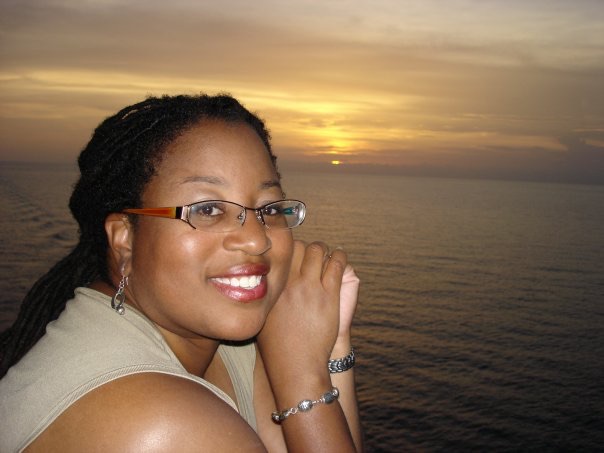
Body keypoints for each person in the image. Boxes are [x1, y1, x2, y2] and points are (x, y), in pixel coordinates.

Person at [0, 94, 363, 452]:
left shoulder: (220, 337)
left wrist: (332, 344)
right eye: (207, 210)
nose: (256, 239)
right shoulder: (157, 424)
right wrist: (303, 376)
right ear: (125, 239)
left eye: (268, 209)